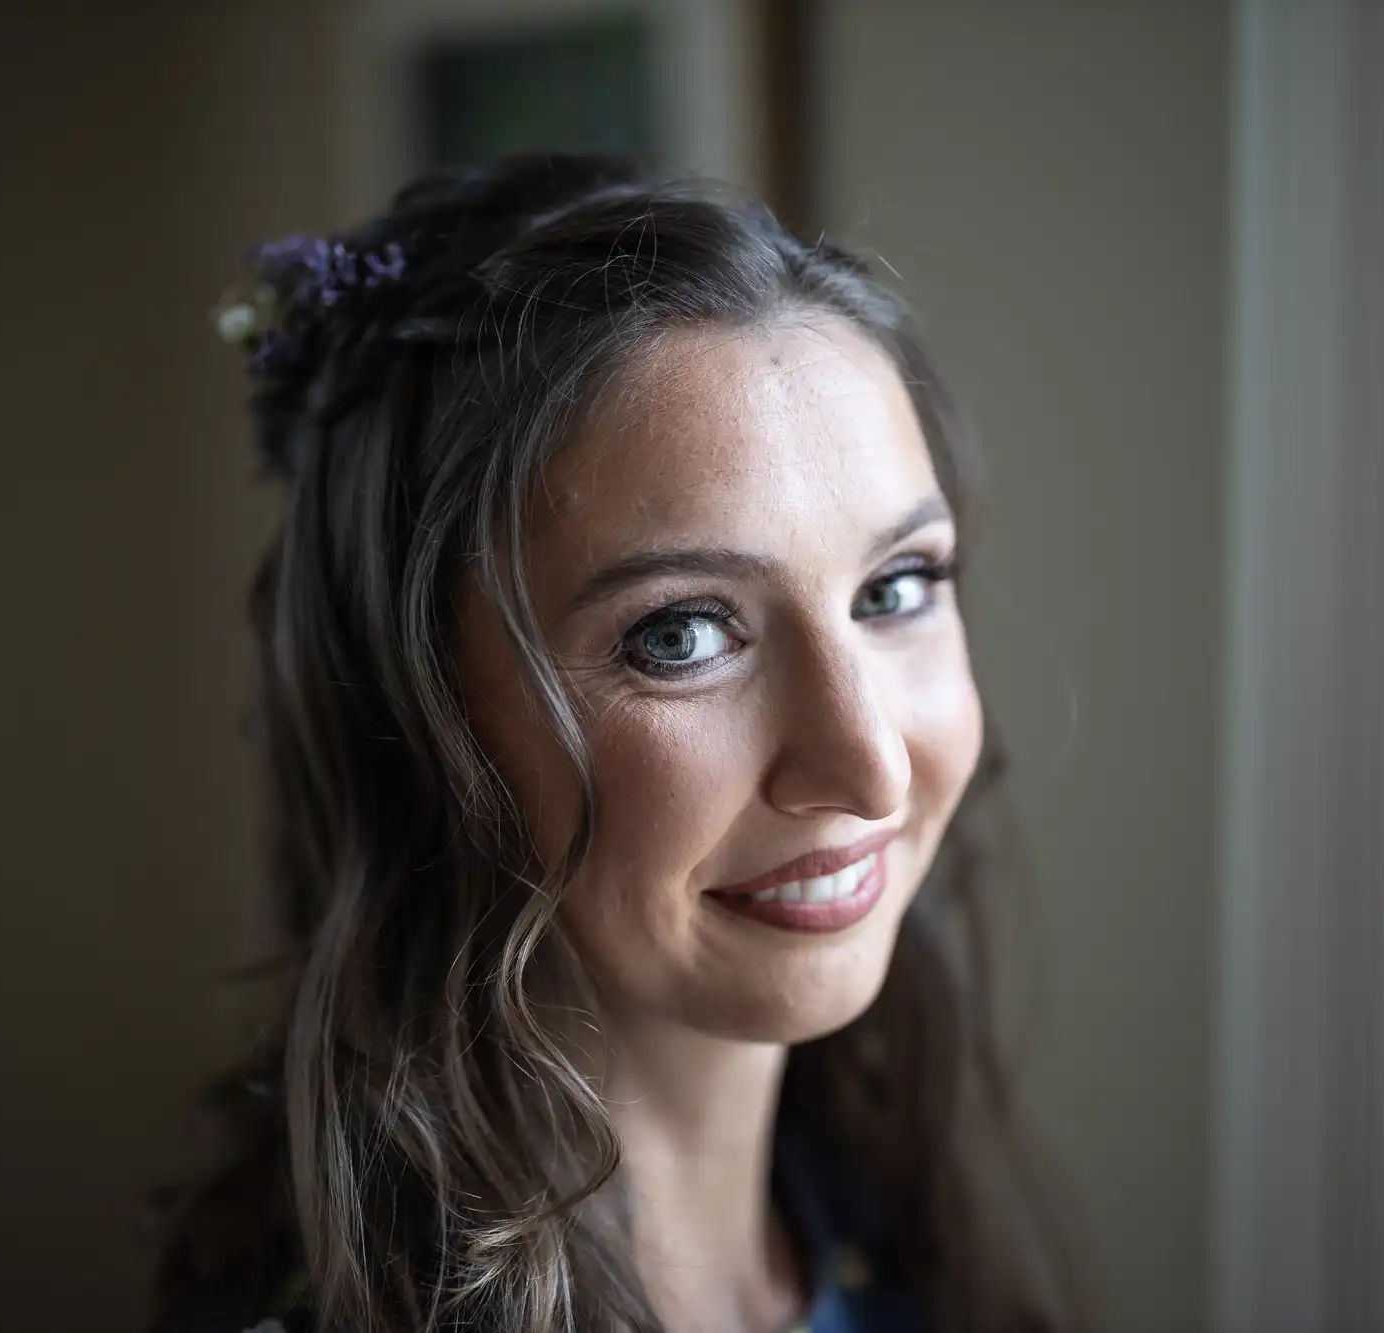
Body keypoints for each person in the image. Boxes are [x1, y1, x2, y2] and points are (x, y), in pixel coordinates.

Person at [155, 154, 1064, 1333]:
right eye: (681, 634)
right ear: (413, 714)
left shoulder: (869, 1236)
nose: (870, 766)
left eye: (894, 589)